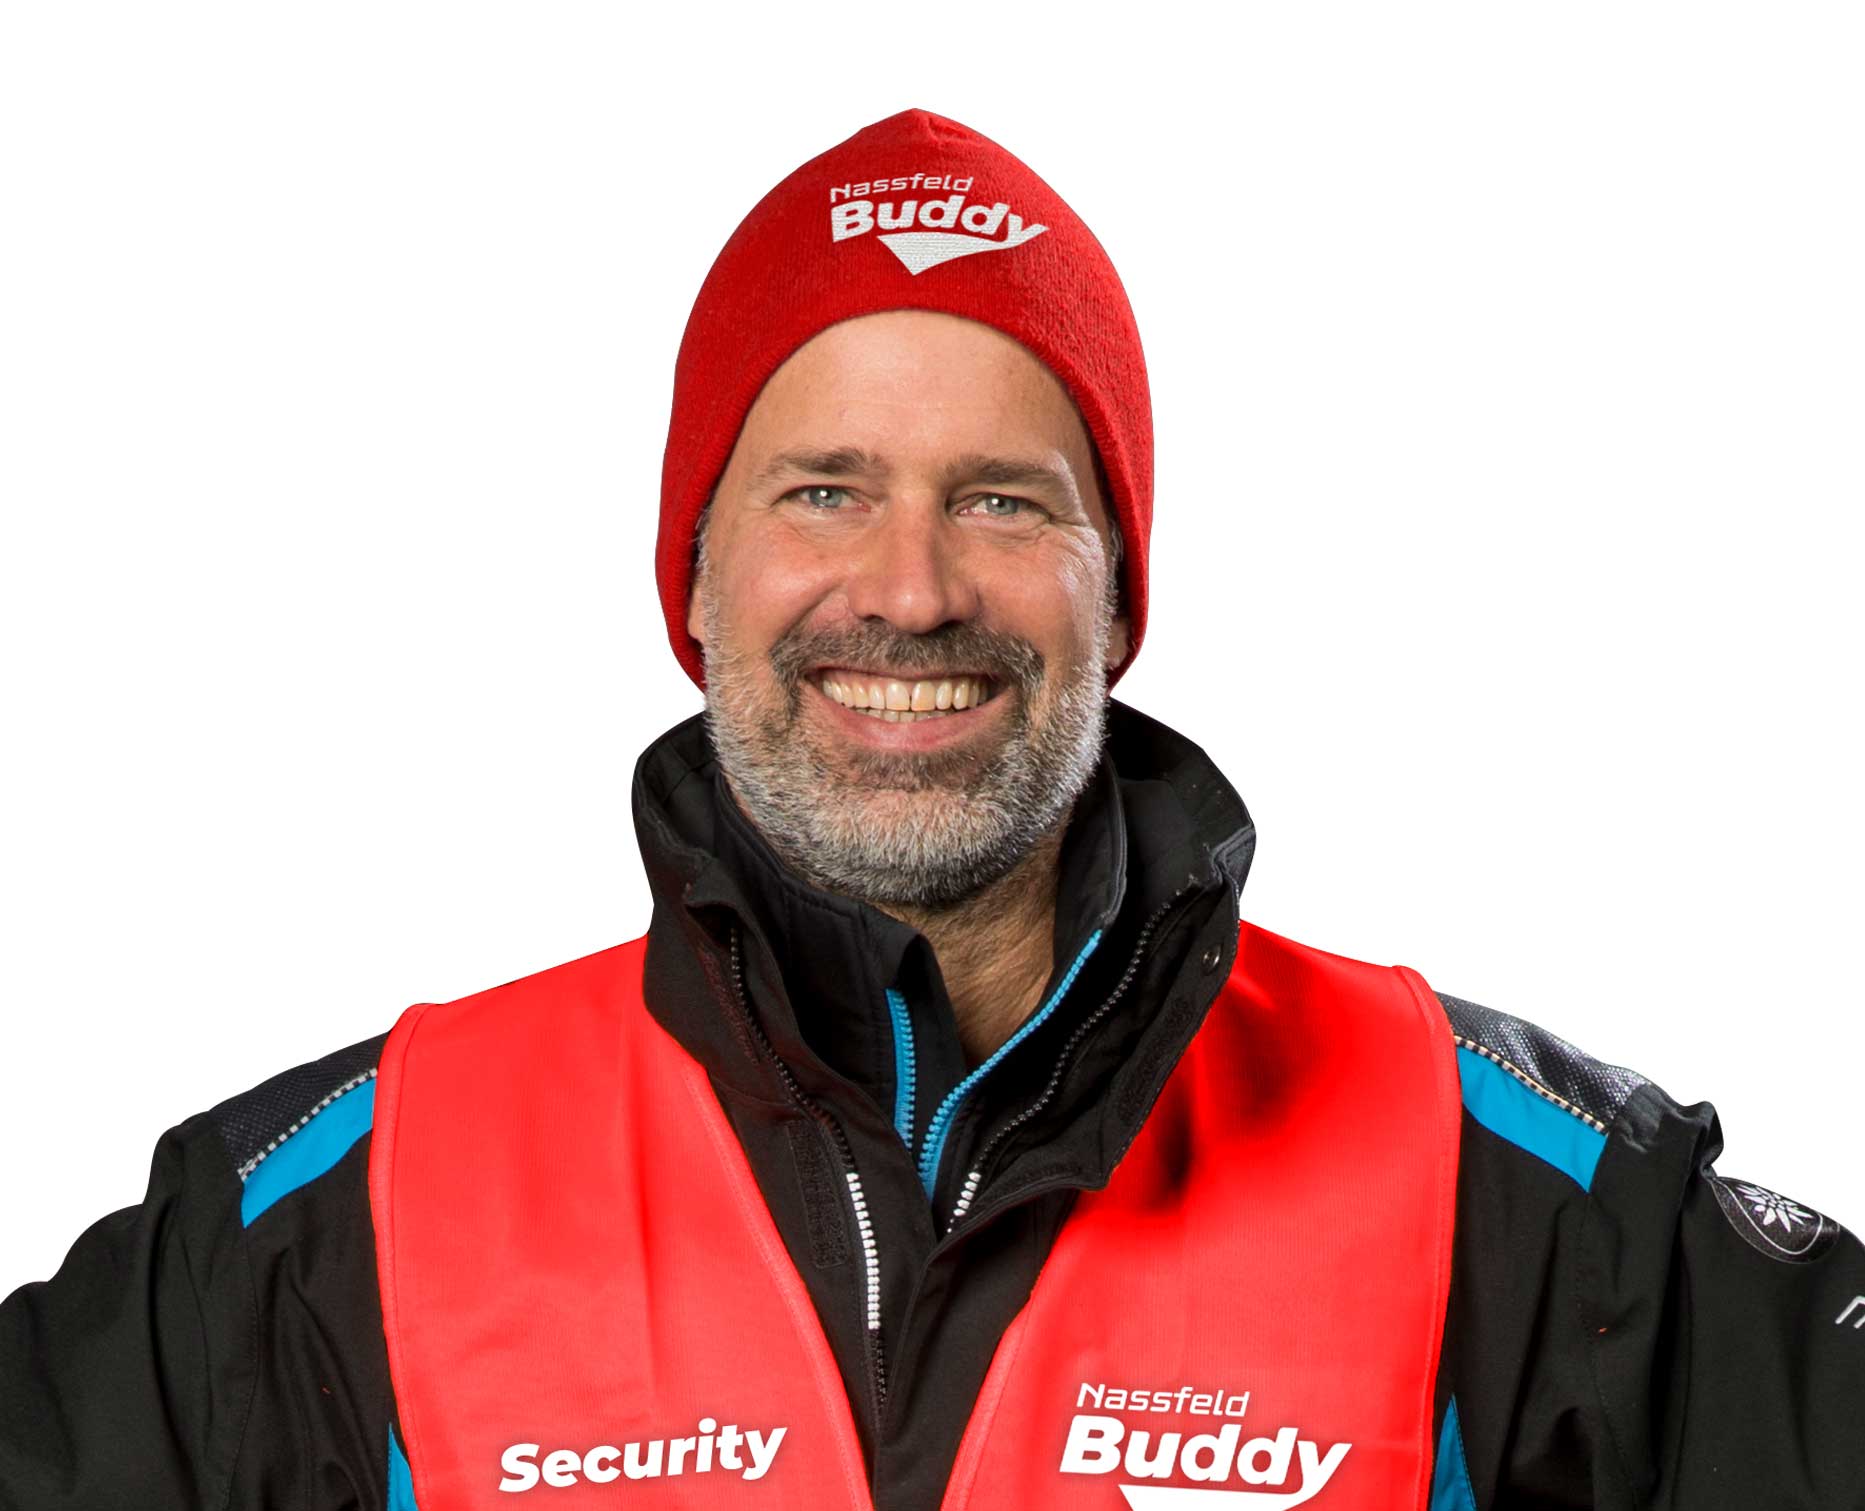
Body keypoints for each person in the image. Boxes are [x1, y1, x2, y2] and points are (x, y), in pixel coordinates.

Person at [2, 106, 1860, 1511]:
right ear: (695, 580)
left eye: (1002, 499)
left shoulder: (1524, 1189)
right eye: (821, 491)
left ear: (1117, 589)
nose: (908, 591)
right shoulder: (325, 1215)